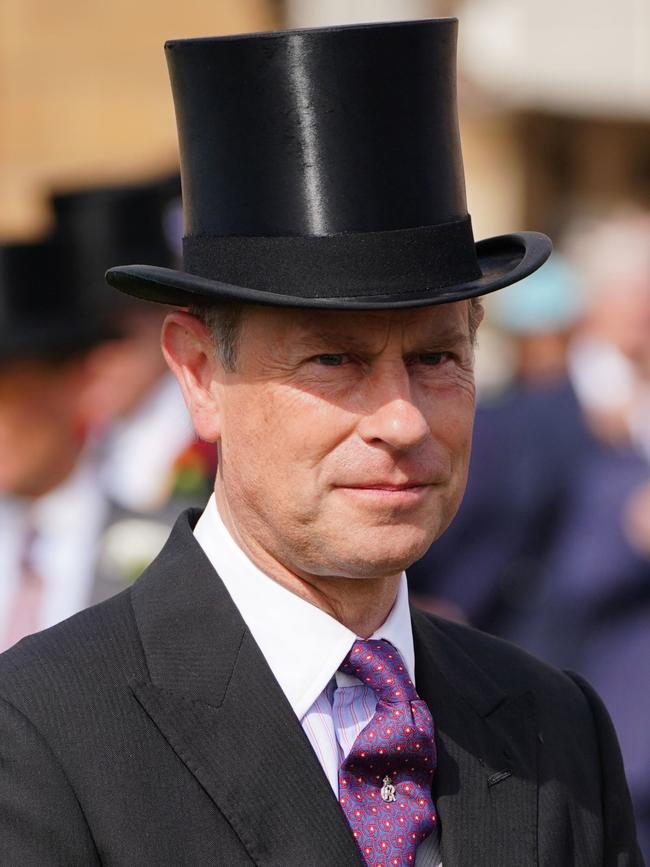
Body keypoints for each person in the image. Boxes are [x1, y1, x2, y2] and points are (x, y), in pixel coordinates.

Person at [0, 20, 642, 866]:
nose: (403, 419)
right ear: (198, 375)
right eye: (334, 359)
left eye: (438, 357)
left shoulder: (552, 727)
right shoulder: (44, 736)